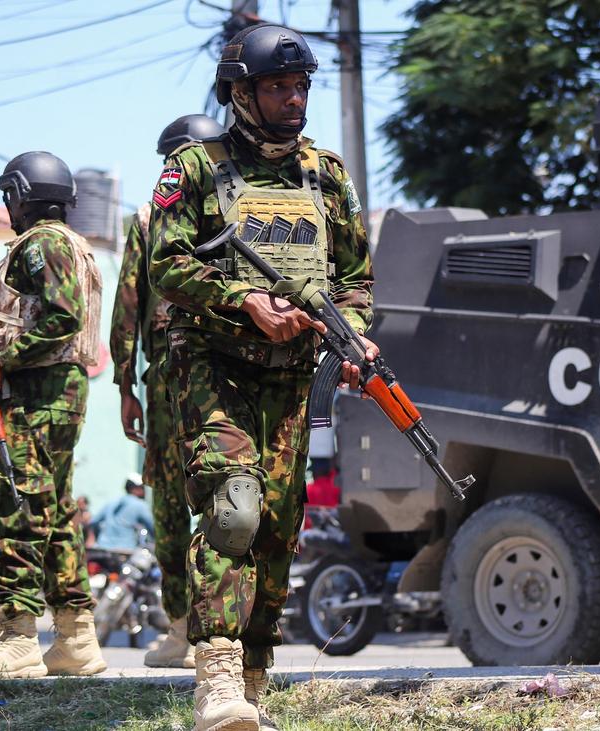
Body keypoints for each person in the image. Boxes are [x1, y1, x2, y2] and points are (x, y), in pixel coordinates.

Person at [148, 24, 374, 731]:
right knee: (234, 510)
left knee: (277, 531)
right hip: (214, 370)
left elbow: (357, 279)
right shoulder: (195, 166)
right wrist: (242, 300)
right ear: (241, 92)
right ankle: (214, 677)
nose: (293, 98)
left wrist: (352, 338)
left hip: (292, 378)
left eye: (301, 86)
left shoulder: (327, 176)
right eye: (278, 86)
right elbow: (166, 262)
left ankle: (252, 681)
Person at [0, 151, 107, 679]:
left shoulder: (42, 244)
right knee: (56, 510)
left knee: (18, 504)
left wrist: (3, 359)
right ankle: (75, 637)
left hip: (41, 392)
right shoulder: (73, 245)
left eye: (9, 197)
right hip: (58, 390)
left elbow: (62, 316)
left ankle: (18, 634)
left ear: (21, 195)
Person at [110, 113, 226, 669]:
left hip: (173, 378)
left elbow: (128, 306)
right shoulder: (240, 210)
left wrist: (123, 384)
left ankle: (188, 632)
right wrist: (124, 382)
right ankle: (210, 634)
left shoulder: (152, 215)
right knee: (217, 498)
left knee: (182, 507)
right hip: (220, 378)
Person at [90, 475, 157, 551]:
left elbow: (93, 522)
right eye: (143, 488)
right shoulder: (140, 505)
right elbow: (153, 528)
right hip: (125, 551)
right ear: (136, 488)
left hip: (103, 548)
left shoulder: (111, 503)